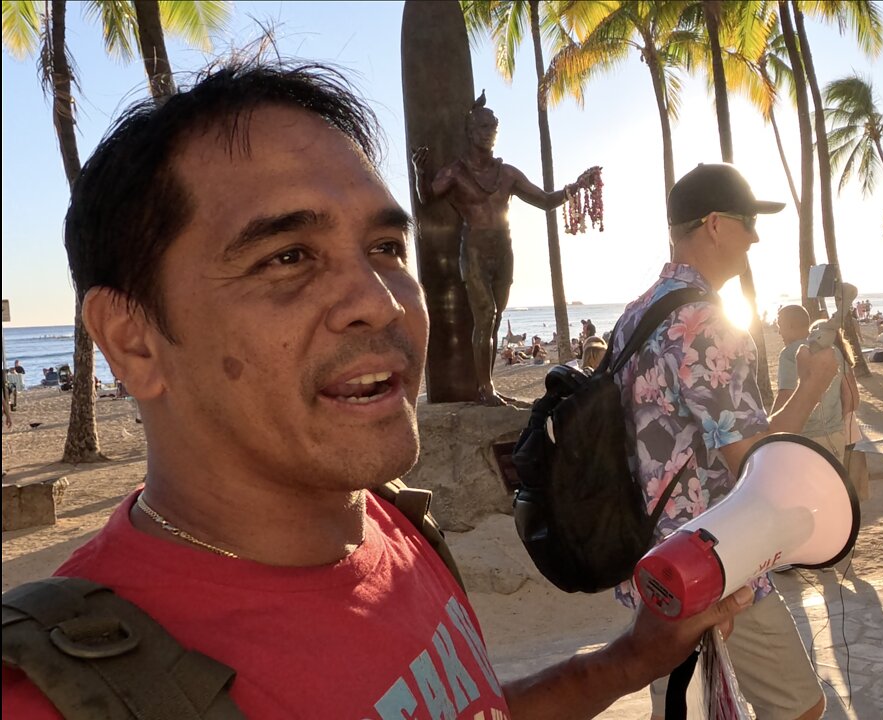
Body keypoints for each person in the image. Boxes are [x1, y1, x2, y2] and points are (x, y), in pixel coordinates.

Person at [1, 59, 753, 719]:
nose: (383, 300)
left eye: (387, 248)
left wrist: (626, 662)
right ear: (132, 340)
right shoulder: (63, 694)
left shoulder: (395, 523)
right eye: (288, 255)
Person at [611, 163, 835, 720]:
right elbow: (758, 464)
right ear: (714, 224)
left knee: (683, 710)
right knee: (800, 708)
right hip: (714, 558)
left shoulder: (635, 315)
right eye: (748, 221)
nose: (756, 236)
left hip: (652, 560)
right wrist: (812, 385)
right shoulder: (706, 322)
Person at [411, 93, 598, 406]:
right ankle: (484, 389)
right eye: (483, 127)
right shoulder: (455, 173)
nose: (488, 134)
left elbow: (545, 200)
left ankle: (487, 384)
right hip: (473, 250)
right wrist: (420, 175)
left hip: (504, 250)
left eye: (493, 129)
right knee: (485, 316)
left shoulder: (507, 173)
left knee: (495, 321)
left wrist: (575, 187)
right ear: (470, 132)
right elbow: (428, 199)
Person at [774, 305, 868, 501]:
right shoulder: (833, 350)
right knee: (832, 497)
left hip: (805, 438)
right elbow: (852, 399)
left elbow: (786, 397)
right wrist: (836, 424)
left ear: (790, 325)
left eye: (780, 325)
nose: (778, 330)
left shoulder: (791, 353)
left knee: (807, 500)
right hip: (835, 436)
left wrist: (771, 431)